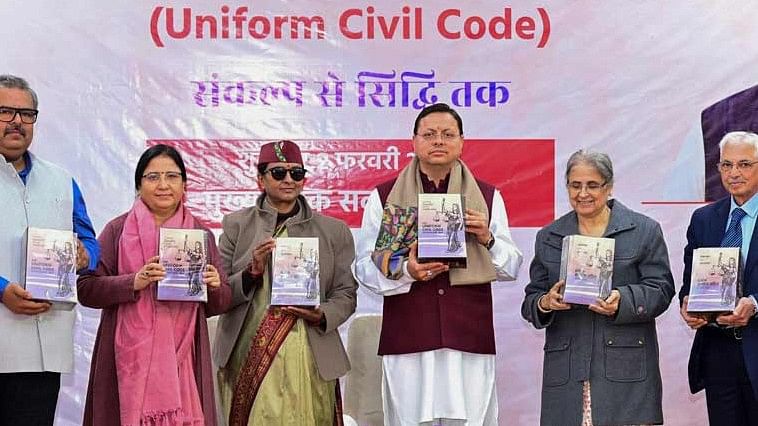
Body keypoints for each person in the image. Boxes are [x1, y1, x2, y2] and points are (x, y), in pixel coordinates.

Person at [353, 103, 523, 425]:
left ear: (462, 142)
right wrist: (406, 272)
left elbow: (511, 266)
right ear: (414, 141)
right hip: (409, 338)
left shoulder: (486, 197)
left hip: (468, 338)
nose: (438, 141)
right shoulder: (386, 197)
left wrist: (486, 237)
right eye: (429, 134)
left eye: (448, 134)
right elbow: (363, 267)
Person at [77, 144, 231, 425]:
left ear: (184, 185)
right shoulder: (117, 230)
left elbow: (220, 304)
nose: (163, 185)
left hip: (184, 357)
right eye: (152, 177)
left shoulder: (200, 235)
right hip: (128, 360)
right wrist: (134, 282)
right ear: (138, 185)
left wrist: (215, 286)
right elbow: (86, 288)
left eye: (172, 177)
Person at [522, 150, 675, 425]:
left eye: (592, 185)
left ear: (609, 186)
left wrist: (623, 300)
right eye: (575, 185)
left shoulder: (643, 230)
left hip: (626, 376)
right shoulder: (549, 236)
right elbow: (531, 299)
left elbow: (661, 290)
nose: (583, 193)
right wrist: (546, 302)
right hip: (567, 376)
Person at [213, 140, 357, 425]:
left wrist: (323, 314)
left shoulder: (333, 231)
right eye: (278, 173)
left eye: (297, 173)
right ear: (260, 179)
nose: (289, 180)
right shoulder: (236, 225)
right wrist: (252, 272)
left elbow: (346, 293)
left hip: (311, 352)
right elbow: (219, 293)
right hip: (248, 352)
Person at [0, 74, 99, 425]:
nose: (16, 122)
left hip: (43, 348)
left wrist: (86, 255)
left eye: (26, 114)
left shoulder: (61, 179)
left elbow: (89, 240)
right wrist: (1, 289)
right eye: (5, 111)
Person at [680, 131, 758, 426]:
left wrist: (755, 303)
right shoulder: (704, 219)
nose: (734, 173)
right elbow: (689, 282)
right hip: (718, 353)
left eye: (744, 164)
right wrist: (687, 304)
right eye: (726, 165)